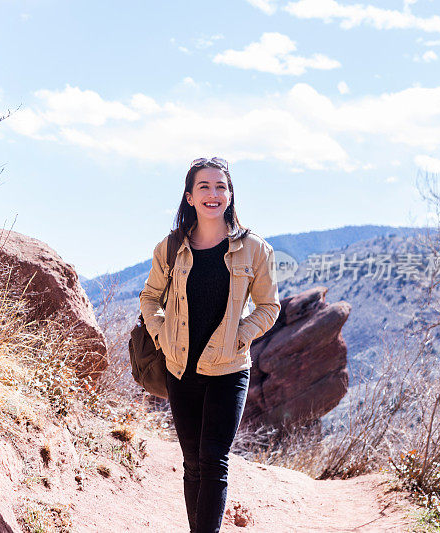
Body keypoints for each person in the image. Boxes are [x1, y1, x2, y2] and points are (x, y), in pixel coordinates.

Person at [139, 157, 280, 533]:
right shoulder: (170, 248)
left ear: (230, 195)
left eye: (221, 187)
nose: (213, 194)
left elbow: (269, 307)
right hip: (180, 366)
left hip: (228, 369)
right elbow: (149, 298)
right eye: (204, 187)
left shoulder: (254, 249)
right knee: (192, 463)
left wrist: (239, 335)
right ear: (189, 197)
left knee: (214, 460)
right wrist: (160, 333)